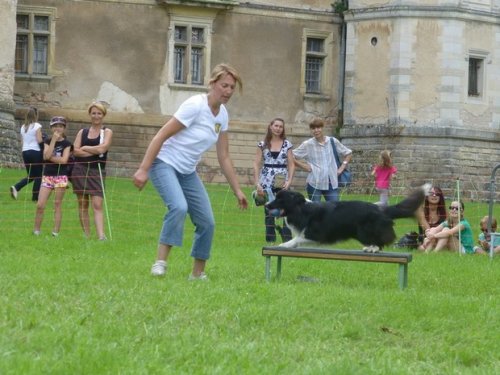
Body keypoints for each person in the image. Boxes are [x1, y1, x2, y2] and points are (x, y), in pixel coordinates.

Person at [132, 63, 248, 280]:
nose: (228, 91)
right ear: (212, 83)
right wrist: (143, 169)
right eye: (224, 85)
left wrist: (237, 190)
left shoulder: (222, 115)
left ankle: (197, 274)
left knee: (207, 221)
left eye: (232, 87)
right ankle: (160, 263)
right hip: (164, 163)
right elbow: (161, 135)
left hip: (187, 172)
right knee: (178, 206)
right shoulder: (195, 105)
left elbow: (224, 156)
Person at [71, 101, 113, 240]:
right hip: (80, 170)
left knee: (97, 204)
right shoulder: (82, 132)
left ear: (103, 115)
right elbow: (75, 152)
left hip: (97, 171)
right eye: (93, 113)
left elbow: (102, 149)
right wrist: (92, 151)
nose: (96, 116)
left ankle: (101, 236)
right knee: (83, 203)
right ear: (90, 114)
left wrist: (85, 148)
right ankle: (87, 235)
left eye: (99, 113)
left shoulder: (107, 132)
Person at [253, 117, 295, 243]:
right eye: (276, 126)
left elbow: (292, 164)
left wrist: (289, 181)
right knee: (268, 210)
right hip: (266, 180)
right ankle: (270, 240)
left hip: (282, 180)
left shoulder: (287, 144)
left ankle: (287, 239)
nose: (278, 128)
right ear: (270, 126)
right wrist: (257, 183)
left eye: (280, 126)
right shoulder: (262, 144)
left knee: (286, 209)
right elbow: (256, 163)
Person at [293, 118, 352, 202]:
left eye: (318, 128)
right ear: (311, 130)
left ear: (323, 128)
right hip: (314, 183)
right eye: (313, 128)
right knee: (315, 211)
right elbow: (290, 156)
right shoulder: (307, 144)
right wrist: (304, 166)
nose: (316, 130)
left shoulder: (332, 141)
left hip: (332, 182)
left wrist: (341, 168)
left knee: (334, 209)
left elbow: (348, 153)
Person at [33, 116, 72, 236]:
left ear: (64, 128)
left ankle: (55, 231)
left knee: (57, 203)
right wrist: (54, 141)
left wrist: (50, 158)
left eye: (60, 126)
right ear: (51, 128)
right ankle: (36, 230)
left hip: (61, 176)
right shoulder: (47, 141)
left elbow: (64, 160)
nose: (57, 128)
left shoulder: (67, 143)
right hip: (48, 175)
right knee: (40, 204)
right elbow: (45, 157)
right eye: (55, 126)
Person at [10, 106, 44, 201]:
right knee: (38, 176)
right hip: (35, 152)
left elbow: (22, 142)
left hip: (25, 152)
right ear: (36, 115)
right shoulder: (37, 126)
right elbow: (39, 140)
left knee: (31, 176)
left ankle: (16, 187)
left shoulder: (23, 127)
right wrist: (44, 149)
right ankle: (35, 197)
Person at [417, 186, 447, 250]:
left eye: (437, 194)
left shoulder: (445, 214)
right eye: (431, 193)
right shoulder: (421, 211)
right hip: (425, 241)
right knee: (422, 249)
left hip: (439, 241)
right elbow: (428, 231)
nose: (434, 195)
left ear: (440, 197)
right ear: (427, 196)